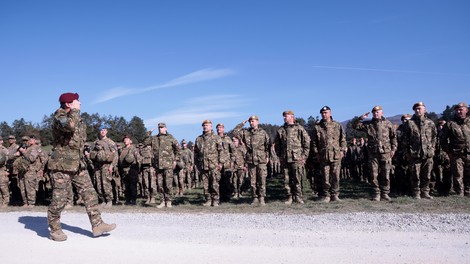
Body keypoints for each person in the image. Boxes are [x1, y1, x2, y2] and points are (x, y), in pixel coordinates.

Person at [47, 92, 115, 241]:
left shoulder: (78, 118)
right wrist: (76, 111)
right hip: (61, 165)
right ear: (68, 104)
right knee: (60, 200)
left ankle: (98, 225)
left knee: (90, 194)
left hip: (78, 164)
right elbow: (69, 127)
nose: (80, 103)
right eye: (77, 101)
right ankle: (55, 229)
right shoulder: (60, 116)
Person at [353, 106, 397, 201]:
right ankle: (376, 193)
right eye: (374, 112)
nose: (375, 114)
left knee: (386, 174)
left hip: (385, 153)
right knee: (373, 175)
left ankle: (385, 193)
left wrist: (393, 149)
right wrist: (360, 118)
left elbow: (393, 137)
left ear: (382, 113)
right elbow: (355, 126)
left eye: (377, 112)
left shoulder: (388, 124)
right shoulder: (368, 124)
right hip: (373, 153)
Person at [311, 106, 347, 202]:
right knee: (325, 176)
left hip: (336, 155)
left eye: (326, 112)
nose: (324, 114)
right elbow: (314, 142)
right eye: (322, 113)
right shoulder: (318, 127)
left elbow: (342, 139)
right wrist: (317, 153)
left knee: (335, 176)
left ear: (330, 113)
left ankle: (335, 194)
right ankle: (326, 195)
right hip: (323, 156)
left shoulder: (337, 125)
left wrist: (342, 151)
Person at [274, 110, 311, 205]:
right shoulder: (281, 130)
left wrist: (304, 157)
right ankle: (289, 196)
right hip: (285, 158)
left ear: (292, 116)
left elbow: (306, 142)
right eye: (284, 116)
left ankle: (298, 197)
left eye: (286, 116)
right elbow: (277, 145)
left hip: (297, 158)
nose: (284, 118)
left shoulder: (299, 128)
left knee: (297, 178)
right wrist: (279, 156)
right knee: (287, 179)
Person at [233, 115, 270, 205]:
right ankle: (254, 197)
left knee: (262, 179)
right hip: (250, 159)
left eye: (253, 121)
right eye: (250, 121)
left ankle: (262, 198)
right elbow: (235, 132)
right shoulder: (246, 132)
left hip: (261, 159)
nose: (251, 123)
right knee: (252, 181)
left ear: (257, 121)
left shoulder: (263, 133)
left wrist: (267, 156)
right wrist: (242, 123)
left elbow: (267, 145)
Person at [402, 102, 437, 199]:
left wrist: (432, 149)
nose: (417, 110)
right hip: (414, 154)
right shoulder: (410, 123)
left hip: (428, 154)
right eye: (416, 109)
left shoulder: (430, 123)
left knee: (427, 174)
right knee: (415, 175)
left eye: (419, 108)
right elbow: (405, 140)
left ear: (424, 109)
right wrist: (407, 153)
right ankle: (416, 192)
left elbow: (434, 137)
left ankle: (425, 192)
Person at [144, 123, 180, 208]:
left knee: (168, 184)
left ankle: (169, 201)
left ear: (166, 128)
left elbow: (177, 149)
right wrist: (148, 133)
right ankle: (162, 201)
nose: (160, 129)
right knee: (160, 185)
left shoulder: (170, 137)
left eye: (162, 127)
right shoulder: (154, 138)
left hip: (168, 165)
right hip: (158, 166)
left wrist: (175, 160)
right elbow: (145, 142)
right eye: (159, 127)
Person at [441, 102, 470, 197]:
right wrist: (449, 152)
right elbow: (443, 140)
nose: (458, 111)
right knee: (458, 174)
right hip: (456, 154)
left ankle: (468, 191)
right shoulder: (450, 124)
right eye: (457, 110)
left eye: (461, 109)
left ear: (466, 110)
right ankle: (459, 193)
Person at [194, 120, 225, 207]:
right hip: (203, 166)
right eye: (204, 125)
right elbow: (196, 153)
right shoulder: (199, 139)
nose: (205, 127)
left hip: (213, 165)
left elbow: (221, 151)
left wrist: (221, 163)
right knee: (205, 185)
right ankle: (208, 200)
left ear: (211, 127)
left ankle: (215, 200)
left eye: (207, 125)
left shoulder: (216, 138)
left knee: (214, 184)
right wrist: (196, 164)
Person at [89, 126, 118, 207]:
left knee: (106, 183)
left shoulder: (110, 142)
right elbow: (92, 155)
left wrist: (112, 166)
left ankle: (109, 201)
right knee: (98, 183)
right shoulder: (96, 143)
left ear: (107, 132)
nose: (102, 132)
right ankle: (103, 200)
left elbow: (115, 156)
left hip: (107, 165)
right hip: (97, 166)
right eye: (101, 130)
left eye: (104, 130)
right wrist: (92, 165)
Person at [17, 135, 43, 207]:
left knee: (30, 187)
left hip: (30, 171)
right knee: (22, 187)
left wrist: (24, 152)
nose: (27, 142)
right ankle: (25, 203)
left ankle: (31, 203)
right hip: (23, 170)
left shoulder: (35, 148)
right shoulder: (27, 148)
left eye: (28, 140)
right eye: (25, 141)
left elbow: (32, 158)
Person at [119, 135, 140, 205]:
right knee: (126, 186)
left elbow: (138, 159)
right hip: (124, 170)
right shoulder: (122, 149)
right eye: (124, 139)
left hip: (132, 169)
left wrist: (137, 169)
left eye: (127, 139)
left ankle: (133, 200)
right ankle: (127, 200)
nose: (125, 141)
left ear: (130, 141)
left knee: (133, 185)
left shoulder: (133, 149)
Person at [216, 123, 235, 202]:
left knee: (227, 181)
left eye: (220, 127)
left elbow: (233, 151)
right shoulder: (214, 138)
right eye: (217, 128)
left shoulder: (228, 139)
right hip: (216, 163)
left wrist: (232, 161)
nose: (219, 129)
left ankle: (227, 197)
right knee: (218, 181)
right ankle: (220, 197)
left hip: (227, 163)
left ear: (223, 129)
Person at [0, 138, 9, 207]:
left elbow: (8, 161)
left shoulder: (4, 150)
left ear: (2, 141)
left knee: (3, 187)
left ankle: (5, 202)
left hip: (2, 170)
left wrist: (7, 171)